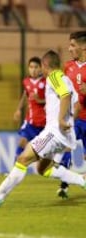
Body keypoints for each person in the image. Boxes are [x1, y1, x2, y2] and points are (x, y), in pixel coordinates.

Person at [0, 50, 86, 207]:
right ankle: (82, 180)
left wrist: (61, 121)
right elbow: (77, 105)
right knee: (43, 169)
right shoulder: (67, 79)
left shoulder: (54, 76)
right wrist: (68, 123)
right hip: (63, 135)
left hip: (54, 133)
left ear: (44, 65)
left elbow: (64, 95)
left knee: (22, 159)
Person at [13, 56, 72, 199]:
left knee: (61, 151)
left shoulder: (49, 81)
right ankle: (15, 170)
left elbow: (60, 96)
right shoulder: (26, 81)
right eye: (30, 67)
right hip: (32, 121)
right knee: (23, 143)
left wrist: (40, 101)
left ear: (42, 68)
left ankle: (66, 180)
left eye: (36, 67)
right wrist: (19, 109)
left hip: (47, 123)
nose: (33, 70)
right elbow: (26, 95)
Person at [58, 31, 86, 198]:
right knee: (67, 146)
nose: (69, 49)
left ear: (83, 47)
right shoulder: (68, 66)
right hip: (74, 117)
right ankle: (63, 185)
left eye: (73, 45)